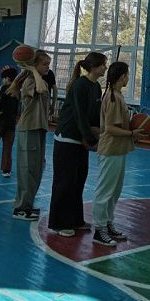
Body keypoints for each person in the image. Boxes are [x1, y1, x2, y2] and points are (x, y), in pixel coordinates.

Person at [48, 51, 107, 237]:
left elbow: (94, 114)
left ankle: (75, 219)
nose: (105, 67)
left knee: (79, 180)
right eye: (103, 64)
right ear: (94, 67)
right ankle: (59, 223)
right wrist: (90, 138)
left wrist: (98, 131)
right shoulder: (80, 85)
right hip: (67, 138)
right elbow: (79, 114)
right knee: (64, 182)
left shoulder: (96, 86)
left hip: (81, 140)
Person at [91, 62, 145, 246]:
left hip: (118, 149)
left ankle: (107, 222)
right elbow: (110, 128)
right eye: (127, 74)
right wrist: (131, 133)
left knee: (114, 191)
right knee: (105, 191)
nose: (129, 78)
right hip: (110, 149)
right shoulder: (113, 97)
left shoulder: (118, 95)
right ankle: (99, 230)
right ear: (122, 76)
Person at [8, 50, 52, 221]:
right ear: (35, 65)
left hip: (39, 128)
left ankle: (27, 204)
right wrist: (32, 70)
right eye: (44, 64)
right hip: (29, 129)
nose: (47, 67)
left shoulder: (41, 80)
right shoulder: (30, 81)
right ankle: (20, 208)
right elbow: (40, 89)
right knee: (27, 170)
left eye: (48, 64)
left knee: (36, 169)